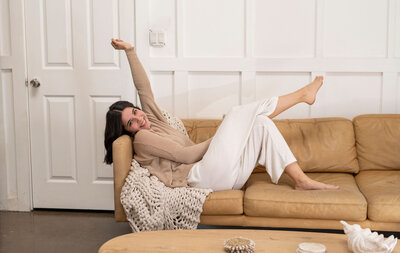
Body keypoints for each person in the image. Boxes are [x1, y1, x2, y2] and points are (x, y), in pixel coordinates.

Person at [104, 38, 339, 191]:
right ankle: (301, 95)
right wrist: (223, 134)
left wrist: (130, 51)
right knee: (238, 114)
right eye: (131, 123)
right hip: (201, 178)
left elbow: (144, 89)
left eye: (135, 112)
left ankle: (301, 180)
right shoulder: (143, 139)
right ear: (127, 130)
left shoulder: (152, 120)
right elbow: (185, 156)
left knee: (260, 123)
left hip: (226, 178)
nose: (139, 119)